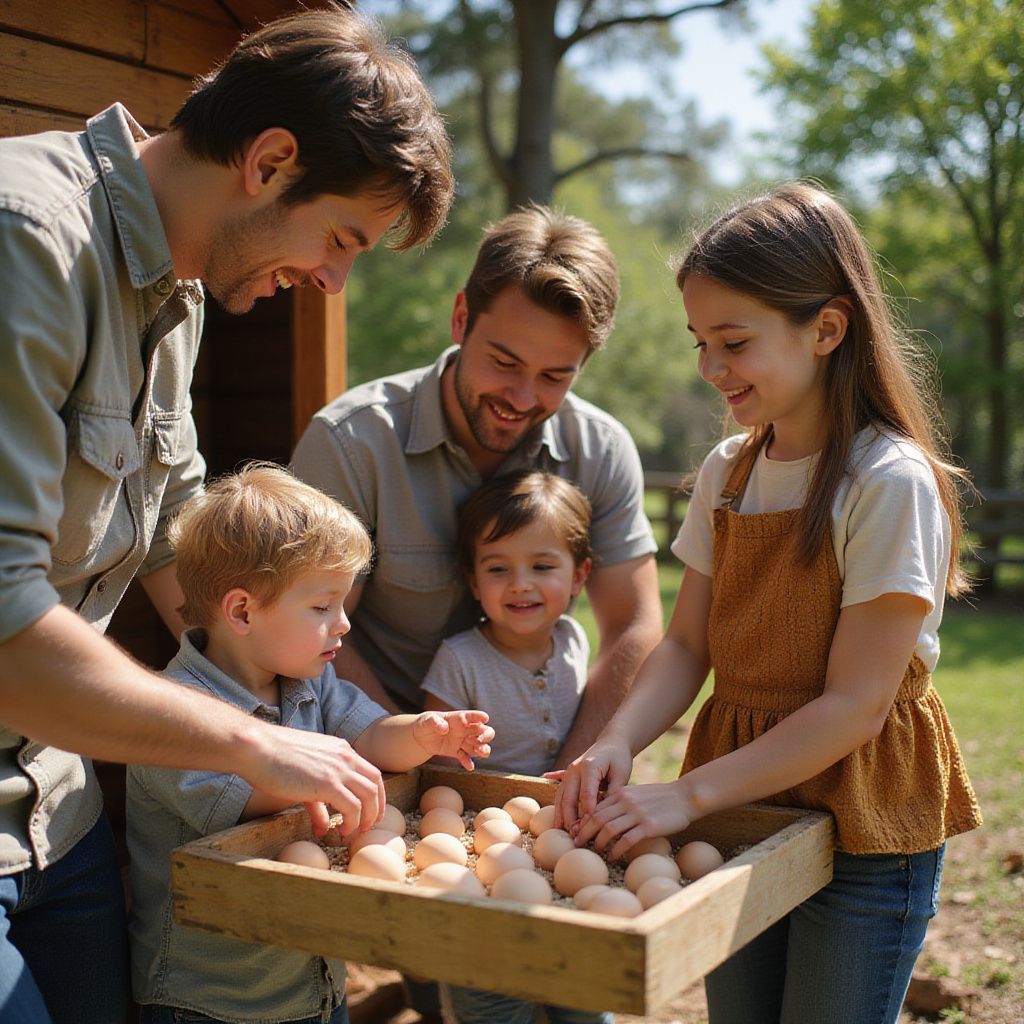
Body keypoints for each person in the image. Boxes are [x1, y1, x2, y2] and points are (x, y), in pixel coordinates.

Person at [0, 7, 453, 1023]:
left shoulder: (182, 294)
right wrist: (249, 743)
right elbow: (3, 625)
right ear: (270, 159)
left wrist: (279, 655)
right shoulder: (26, 240)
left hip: (55, 813)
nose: (332, 280)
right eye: (340, 238)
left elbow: (183, 544)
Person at [554, 182, 982, 1024]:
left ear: (826, 329)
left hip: (861, 814)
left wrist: (684, 796)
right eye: (700, 342)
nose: (711, 369)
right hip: (743, 805)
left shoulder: (887, 483)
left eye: (734, 341)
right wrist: (616, 741)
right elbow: (685, 647)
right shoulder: (727, 473)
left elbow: (855, 708)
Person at [291, 205, 662, 768]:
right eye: (504, 362)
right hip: (376, 760)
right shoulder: (350, 444)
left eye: (554, 377)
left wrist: (572, 773)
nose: (521, 397)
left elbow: (635, 626)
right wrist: (418, 757)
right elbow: (306, 631)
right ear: (462, 318)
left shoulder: (602, 450)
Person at [126, 464, 493, 1024]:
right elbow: (244, 798)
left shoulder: (309, 682)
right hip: (213, 997)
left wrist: (420, 733)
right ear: (243, 611)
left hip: (315, 978)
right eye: (323, 607)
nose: (343, 624)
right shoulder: (173, 716)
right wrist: (325, 778)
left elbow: (369, 738)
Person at [421, 469, 612, 1024]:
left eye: (543, 567)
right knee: (489, 978)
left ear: (580, 576)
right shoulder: (459, 659)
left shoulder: (575, 639)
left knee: (582, 970)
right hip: (485, 841)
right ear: (472, 581)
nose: (521, 584)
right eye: (498, 568)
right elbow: (435, 765)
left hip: (568, 829)